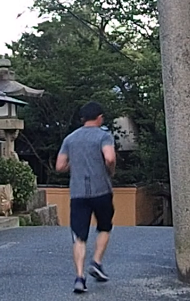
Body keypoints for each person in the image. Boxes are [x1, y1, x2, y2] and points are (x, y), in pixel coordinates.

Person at [56, 101, 116, 293]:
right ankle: (96, 262)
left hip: (78, 193)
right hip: (101, 190)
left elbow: (60, 166)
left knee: (79, 237)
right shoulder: (104, 136)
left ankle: (80, 277)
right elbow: (110, 157)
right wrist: (110, 170)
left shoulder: (70, 139)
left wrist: (75, 166)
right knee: (104, 226)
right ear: (99, 118)